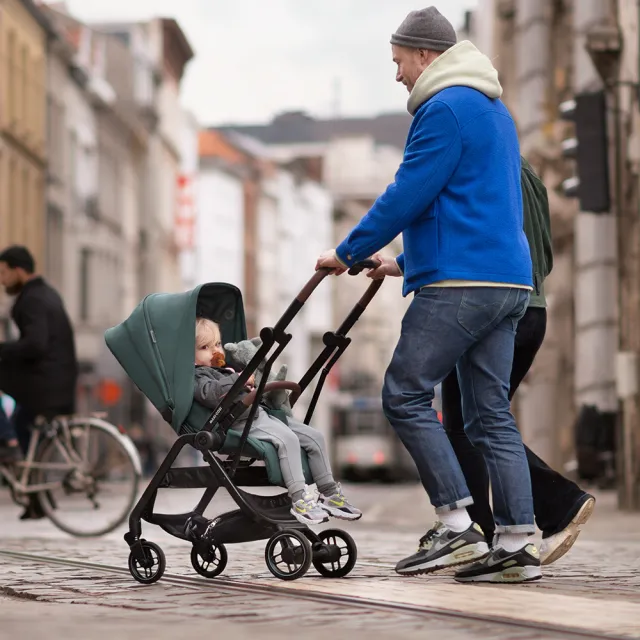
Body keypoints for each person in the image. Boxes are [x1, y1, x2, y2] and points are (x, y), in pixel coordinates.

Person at [317, 7, 539, 583]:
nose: (397, 76)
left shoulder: (443, 108)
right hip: (508, 280)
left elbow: (408, 193)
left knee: (404, 394)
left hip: (461, 285)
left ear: (424, 55)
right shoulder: (494, 110)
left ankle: (456, 524)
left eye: (398, 62)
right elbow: (479, 206)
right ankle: (517, 540)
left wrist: (346, 251)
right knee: (490, 414)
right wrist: (403, 262)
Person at [442, 158, 595, 566]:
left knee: (472, 423)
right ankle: (493, 531)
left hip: (491, 309)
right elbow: (544, 255)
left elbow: (462, 238)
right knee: (477, 420)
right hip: (534, 310)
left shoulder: (477, 167)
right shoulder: (528, 174)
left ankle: (545, 507)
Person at [193, 317, 361, 525]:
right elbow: (210, 394)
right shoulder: (198, 376)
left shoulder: (225, 370)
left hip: (262, 414)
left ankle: (329, 493)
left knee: (315, 437)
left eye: (217, 344)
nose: (214, 351)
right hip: (240, 423)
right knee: (287, 439)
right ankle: (300, 498)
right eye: (204, 347)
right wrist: (238, 380)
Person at [0, 246, 78, 519]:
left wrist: (3, 349)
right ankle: (36, 496)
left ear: (18, 270)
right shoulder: (46, 292)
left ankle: (5, 442)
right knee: (24, 423)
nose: (1, 279)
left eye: (3, 272)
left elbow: (35, 344)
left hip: (45, 382)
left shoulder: (32, 298)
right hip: (56, 380)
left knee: (20, 427)